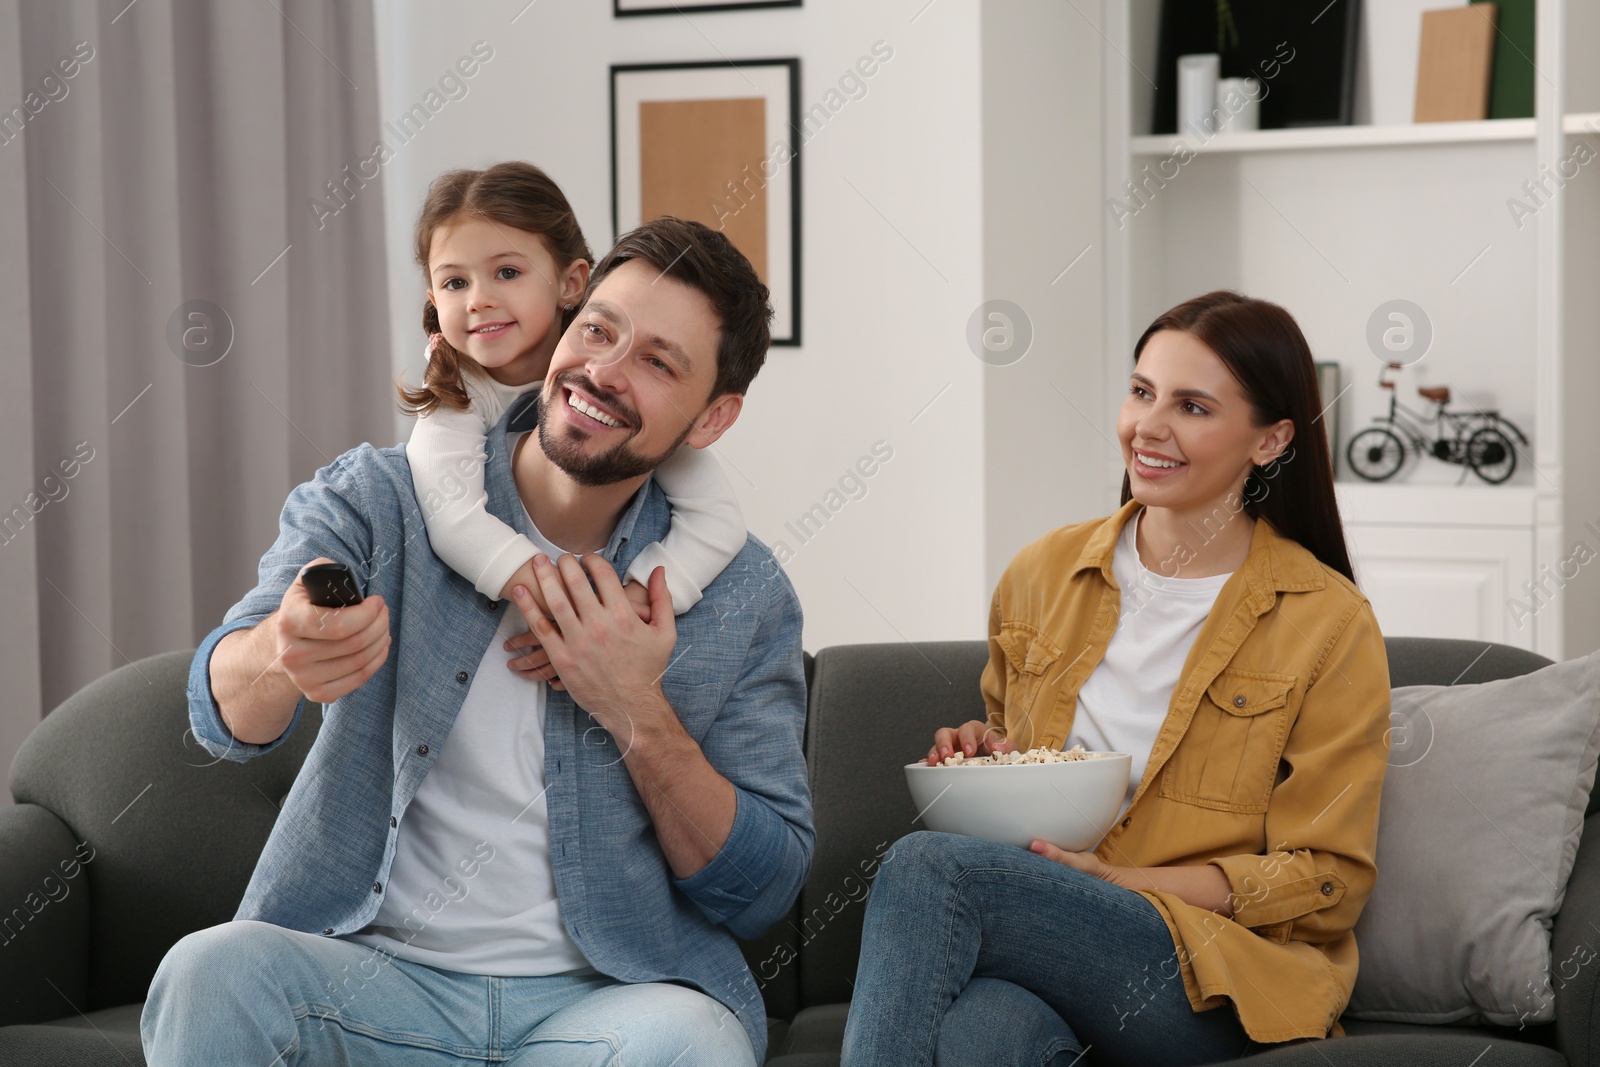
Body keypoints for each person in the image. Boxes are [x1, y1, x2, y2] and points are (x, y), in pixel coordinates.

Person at [141, 216, 811, 1067]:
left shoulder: (746, 594)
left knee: (693, 1046)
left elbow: (761, 891)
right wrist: (285, 646)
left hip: (607, 1010)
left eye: (658, 362)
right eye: (598, 329)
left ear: (713, 417)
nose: (602, 371)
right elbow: (218, 711)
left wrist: (633, 706)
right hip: (368, 982)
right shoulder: (377, 499)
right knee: (211, 972)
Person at [841, 291, 1391, 1067]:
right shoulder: (1042, 571)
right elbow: (1021, 775)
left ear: (1269, 440)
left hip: (1209, 973)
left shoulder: (1328, 621)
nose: (1149, 427)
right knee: (987, 1032)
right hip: (1049, 943)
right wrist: (983, 756)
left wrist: (1119, 879)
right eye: (1141, 392)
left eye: (1193, 406)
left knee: (926, 870)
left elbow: (1327, 877)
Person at [400, 162, 747, 640]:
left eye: (506, 272)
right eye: (455, 283)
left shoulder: (615, 392)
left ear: (571, 284)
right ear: (434, 300)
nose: (477, 300)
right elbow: (453, 521)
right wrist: (573, 618)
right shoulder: (455, 396)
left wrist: (632, 604)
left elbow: (719, 521)